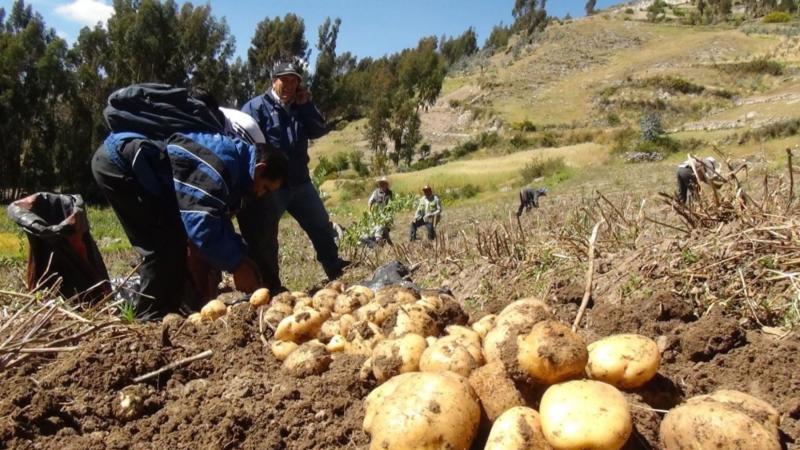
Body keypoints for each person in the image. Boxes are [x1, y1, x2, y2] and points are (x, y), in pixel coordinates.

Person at [92, 126, 287, 317]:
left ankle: (175, 306)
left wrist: (242, 256)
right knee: (161, 245)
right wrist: (236, 265)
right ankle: (151, 317)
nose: (260, 194)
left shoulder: (234, 166)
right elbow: (202, 225)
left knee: (174, 240)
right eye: (265, 188)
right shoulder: (219, 165)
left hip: (146, 177)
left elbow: (218, 218)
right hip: (119, 165)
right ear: (260, 169)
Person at [239, 59, 348, 293]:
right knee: (265, 236)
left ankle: (334, 268)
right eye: (284, 80)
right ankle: (270, 286)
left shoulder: (300, 107)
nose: (289, 85)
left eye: (294, 81)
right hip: (272, 185)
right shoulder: (255, 107)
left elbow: (319, 129)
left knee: (320, 225)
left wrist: (307, 105)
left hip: (300, 182)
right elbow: (245, 145)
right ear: (273, 81)